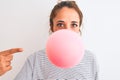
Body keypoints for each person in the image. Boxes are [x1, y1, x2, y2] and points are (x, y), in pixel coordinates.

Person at [14, 1, 98, 80]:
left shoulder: (90, 59)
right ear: (52, 27)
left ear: (79, 28)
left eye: (74, 25)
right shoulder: (35, 60)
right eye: (60, 24)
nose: (67, 30)